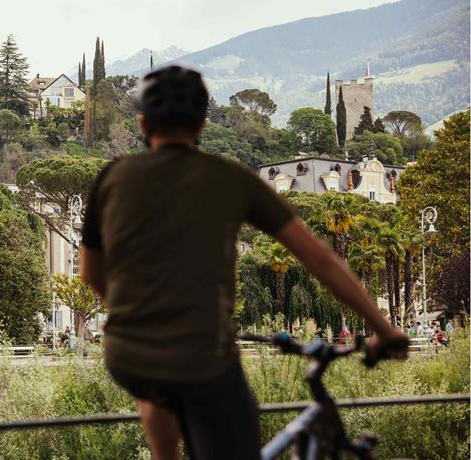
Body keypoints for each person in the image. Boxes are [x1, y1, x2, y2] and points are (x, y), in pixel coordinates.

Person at [78, 66, 410, 460]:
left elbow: (91, 274)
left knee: (154, 389)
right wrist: (382, 328)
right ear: (202, 123)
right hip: (201, 352)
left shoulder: (112, 178)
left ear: (143, 122)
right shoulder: (227, 177)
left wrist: (141, 317)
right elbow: (319, 258)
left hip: (127, 353)